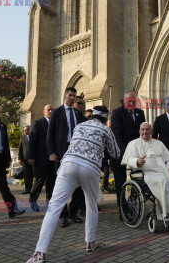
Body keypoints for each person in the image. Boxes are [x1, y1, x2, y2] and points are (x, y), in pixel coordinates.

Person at [26, 106, 119, 263]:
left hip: (69, 164)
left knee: (54, 208)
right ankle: (90, 242)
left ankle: (39, 253)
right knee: (91, 206)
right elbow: (116, 153)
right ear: (105, 118)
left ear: (92, 116)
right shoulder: (106, 130)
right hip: (90, 168)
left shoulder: (80, 125)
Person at [47, 87, 86, 227]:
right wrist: (51, 152)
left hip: (77, 152)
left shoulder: (78, 113)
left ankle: (73, 212)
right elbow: (50, 134)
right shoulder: (57, 112)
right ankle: (63, 215)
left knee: (78, 183)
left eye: (74, 96)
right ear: (64, 96)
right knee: (61, 184)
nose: (72, 98)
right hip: (61, 152)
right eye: (70, 95)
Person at [111, 91, 146, 208]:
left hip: (136, 153)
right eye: (129, 101)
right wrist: (125, 152)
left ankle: (132, 201)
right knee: (120, 181)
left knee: (137, 178)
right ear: (124, 101)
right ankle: (123, 208)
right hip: (120, 152)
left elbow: (142, 132)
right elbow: (117, 134)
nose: (131, 103)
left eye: (133, 101)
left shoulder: (140, 113)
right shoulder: (117, 113)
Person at [29, 104, 55, 211]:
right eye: (48, 110)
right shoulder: (37, 123)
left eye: (52, 110)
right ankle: (33, 200)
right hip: (40, 158)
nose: (50, 111)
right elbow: (32, 141)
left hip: (53, 158)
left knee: (51, 181)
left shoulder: (56, 123)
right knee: (40, 180)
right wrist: (31, 156)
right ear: (44, 111)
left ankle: (49, 203)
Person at [19, 125, 33, 194]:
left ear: (29, 130)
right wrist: (20, 159)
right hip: (25, 159)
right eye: (24, 130)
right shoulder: (22, 138)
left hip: (33, 159)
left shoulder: (34, 136)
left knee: (34, 174)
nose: (24, 131)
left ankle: (34, 189)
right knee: (27, 175)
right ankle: (27, 189)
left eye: (26, 130)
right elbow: (20, 149)